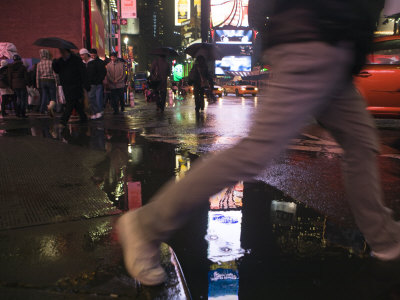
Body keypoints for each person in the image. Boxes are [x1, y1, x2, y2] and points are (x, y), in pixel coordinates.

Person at [117, 0, 399, 287]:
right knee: (256, 152)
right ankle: (146, 225)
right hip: (314, 39)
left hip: (335, 44)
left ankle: (385, 237)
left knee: (361, 143)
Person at [52, 48, 88, 126]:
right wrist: (54, 62)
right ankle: (83, 118)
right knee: (76, 103)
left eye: (63, 52)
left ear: (67, 52)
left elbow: (83, 72)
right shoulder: (60, 61)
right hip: (66, 86)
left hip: (76, 85)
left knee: (70, 103)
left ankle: (63, 121)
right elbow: (57, 70)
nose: (62, 54)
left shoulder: (76, 60)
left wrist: (85, 84)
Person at [36, 49, 58, 116]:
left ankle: (42, 109)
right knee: (52, 96)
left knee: (44, 96)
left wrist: (38, 84)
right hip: (51, 80)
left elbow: (38, 75)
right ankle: (53, 109)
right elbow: (55, 73)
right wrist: (57, 81)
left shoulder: (39, 64)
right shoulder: (51, 62)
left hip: (43, 81)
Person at [86, 48, 107, 120]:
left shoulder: (98, 62)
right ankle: (97, 111)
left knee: (97, 98)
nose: (92, 55)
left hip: (97, 83)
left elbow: (103, 72)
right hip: (94, 83)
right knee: (93, 98)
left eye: (93, 54)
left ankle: (99, 111)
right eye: (91, 54)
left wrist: (100, 79)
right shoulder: (91, 63)